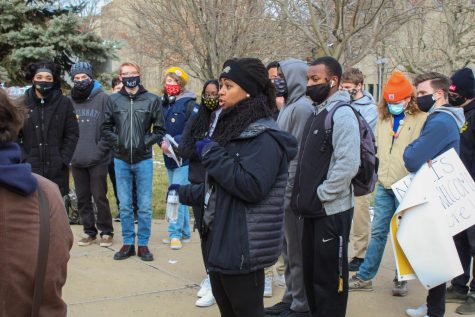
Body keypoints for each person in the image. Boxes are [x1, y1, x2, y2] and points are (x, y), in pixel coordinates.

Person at [176, 57, 298, 317]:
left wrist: (211, 152)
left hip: (243, 247)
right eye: (221, 84)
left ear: (249, 91)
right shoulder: (232, 128)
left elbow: (251, 186)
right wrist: (187, 193)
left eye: (228, 86)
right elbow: (224, 187)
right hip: (222, 240)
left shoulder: (263, 136)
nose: (220, 91)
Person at [349, 71, 427, 296]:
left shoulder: (422, 118)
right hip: (384, 183)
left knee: (404, 233)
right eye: (390, 101)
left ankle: (401, 278)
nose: (394, 105)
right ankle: (365, 277)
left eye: (399, 101)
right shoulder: (382, 119)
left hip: (408, 184)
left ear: (408, 99)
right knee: (379, 232)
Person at [294, 56, 360, 317]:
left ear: (333, 81)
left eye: (315, 79)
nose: (309, 84)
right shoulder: (316, 113)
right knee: (312, 275)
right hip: (313, 211)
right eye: (308, 79)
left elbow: (347, 164)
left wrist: (322, 195)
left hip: (331, 211)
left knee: (330, 280)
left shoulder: (342, 114)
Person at [0, 88, 73, 316]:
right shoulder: (46, 194)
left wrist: (62, 158)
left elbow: (72, 134)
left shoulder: (46, 193)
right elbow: (54, 274)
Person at [404, 72, 465, 317]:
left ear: (439, 94)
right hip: (437, 191)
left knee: (435, 252)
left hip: (437, 195)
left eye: (422, 93)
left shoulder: (440, 121)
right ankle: (432, 307)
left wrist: (412, 150)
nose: (419, 98)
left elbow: (411, 158)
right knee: (435, 251)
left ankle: (434, 311)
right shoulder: (443, 118)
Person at [102, 61, 166, 262]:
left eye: (133, 73)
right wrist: (119, 142)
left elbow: (160, 130)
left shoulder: (152, 100)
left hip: (143, 160)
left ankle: (143, 244)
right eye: (125, 74)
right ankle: (128, 243)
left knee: (145, 205)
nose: (129, 76)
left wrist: (143, 143)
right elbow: (105, 128)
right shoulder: (113, 101)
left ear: (139, 74)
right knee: (126, 205)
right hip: (120, 159)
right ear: (120, 78)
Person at [264, 59, 313, 316]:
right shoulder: (288, 106)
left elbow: (298, 154)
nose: (277, 81)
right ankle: (289, 298)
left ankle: (300, 305)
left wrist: (289, 190)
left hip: (292, 189)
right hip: (281, 185)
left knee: (296, 251)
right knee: (287, 250)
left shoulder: (302, 108)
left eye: (282, 76)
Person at [179, 79, 221, 308]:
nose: (212, 97)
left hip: (217, 184)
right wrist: (202, 147)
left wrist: (206, 148)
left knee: (216, 232)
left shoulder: (225, 117)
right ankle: (210, 275)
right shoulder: (198, 117)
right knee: (204, 232)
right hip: (198, 182)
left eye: (215, 93)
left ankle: (218, 279)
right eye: (208, 93)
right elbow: (184, 147)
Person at [17, 59, 79, 196]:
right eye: (39, 77)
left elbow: (72, 133)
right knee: (33, 213)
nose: (43, 81)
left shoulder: (64, 103)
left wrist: (63, 159)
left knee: (56, 212)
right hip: (30, 170)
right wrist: (23, 159)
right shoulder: (21, 103)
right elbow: (14, 135)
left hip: (57, 171)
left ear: (53, 80)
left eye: (48, 78)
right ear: (33, 79)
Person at [69, 61, 114, 247]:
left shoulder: (103, 98)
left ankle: (106, 231)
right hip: (76, 159)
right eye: (76, 78)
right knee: (82, 198)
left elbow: (110, 128)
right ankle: (89, 232)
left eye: (84, 77)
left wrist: (99, 151)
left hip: (97, 159)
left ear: (90, 78)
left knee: (99, 196)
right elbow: (67, 130)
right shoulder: (69, 100)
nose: (80, 81)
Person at [443, 68, 475, 315]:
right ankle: (459, 285)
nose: (451, 95)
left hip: (473, 187)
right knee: (459, 240)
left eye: (454, 91)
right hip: (458, 188)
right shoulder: (459, 114)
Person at [340, 68, 378, 272]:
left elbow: (362, 134)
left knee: (361, 212)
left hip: (362, 168)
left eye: (348, 88)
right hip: (343, 164)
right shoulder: (342, 104)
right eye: (342, 88)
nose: (345, 91)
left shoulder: (370, 109)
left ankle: (360, 254)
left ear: (359, 87)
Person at [160, 66, 198, 250]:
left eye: (175, 81)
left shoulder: (190, 104)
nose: (171, 84)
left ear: (181, 84)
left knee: (174, 195)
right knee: (179, 194)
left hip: (183, 159)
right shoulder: (164, 103)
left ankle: (174, 234)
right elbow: (159, 127)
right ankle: (184, 232)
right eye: (168, 81)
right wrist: (161, 140)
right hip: (168, 157)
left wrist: (176, 142)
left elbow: (194, 130)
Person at [108, 76, 138, 224]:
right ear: (113, 90)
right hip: (113, 150)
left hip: (131, 149)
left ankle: (135, 210)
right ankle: (122, 208)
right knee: (117, 182)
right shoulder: (110, 105)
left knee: (132, 181)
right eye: (118, 89)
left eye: (123, 88)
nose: (121, 91)